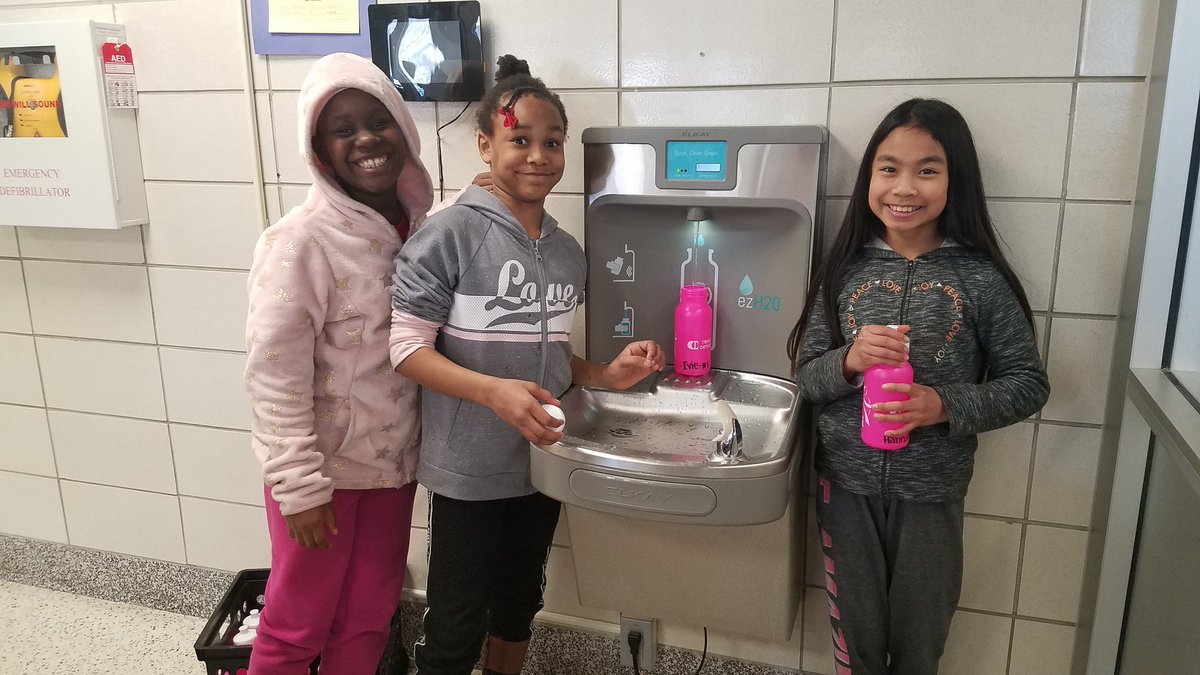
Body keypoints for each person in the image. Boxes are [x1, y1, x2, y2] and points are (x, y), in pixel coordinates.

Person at [388, 55, 665, 675]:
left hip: (542, 462)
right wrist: (491, 394)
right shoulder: (450, 235)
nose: (538, 155)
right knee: (458, 615)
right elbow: (405, 350)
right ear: (486, 145)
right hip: (469, 469)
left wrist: (605, 373)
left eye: (552, 142)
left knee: (519, 602)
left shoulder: (567, 254)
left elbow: (544, 355)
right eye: (520, 140)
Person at [787, 98, 1050, 675]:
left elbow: (1028, 384)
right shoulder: (843, 270)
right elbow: (805, 377)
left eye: (927, 170)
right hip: (845, 488)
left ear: (957, 181)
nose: (904, 187)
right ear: (869, 178)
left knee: (920, 637)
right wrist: (850, 363)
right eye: (889, 168)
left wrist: (943, 405)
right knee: (855, 638)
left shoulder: (979, 278)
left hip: (932, 495)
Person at [244, 52, 435, 675]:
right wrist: (297, 487)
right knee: (297, 626)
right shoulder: (298, 241)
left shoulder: (416, 233)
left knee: (369, 621)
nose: (365, 140)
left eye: (377, 121)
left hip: (391, 470)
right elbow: (275, 374)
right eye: (342, 129)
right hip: (318, 477)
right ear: (320, 150)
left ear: (402, 130)